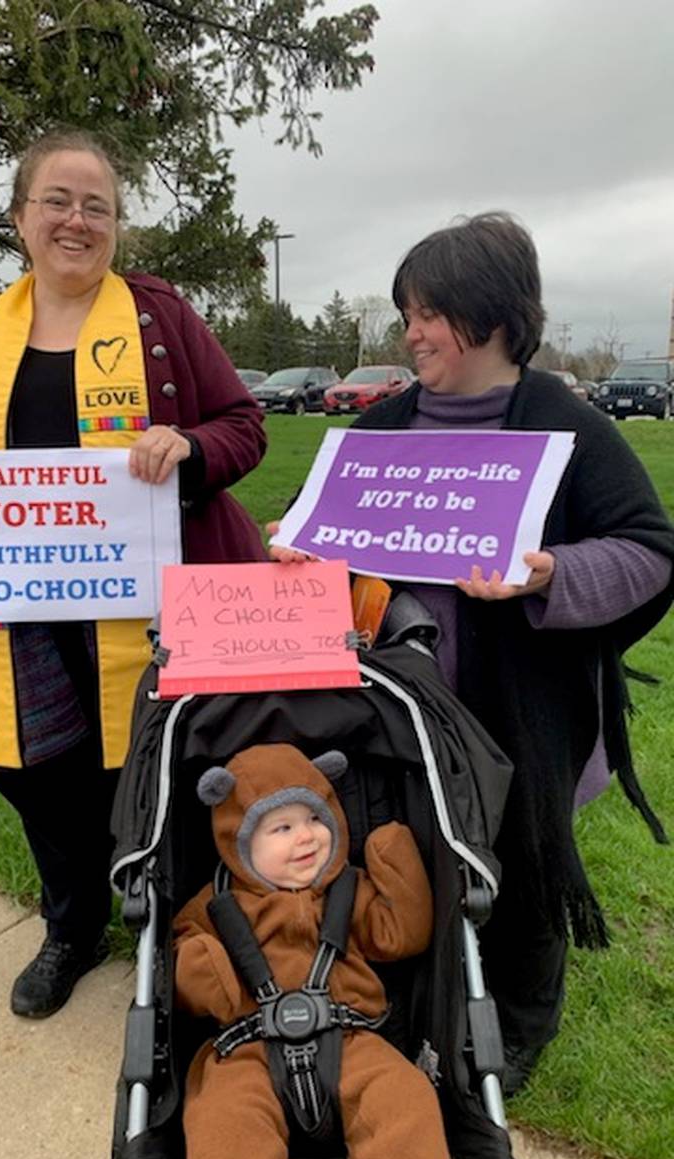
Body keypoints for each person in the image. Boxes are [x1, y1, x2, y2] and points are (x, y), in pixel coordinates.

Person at [270, 212, 674, 1095]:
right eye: (406, 312)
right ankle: (416, 990)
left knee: (523, 874)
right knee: (406, 856)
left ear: (491, 317)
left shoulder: (566, 427)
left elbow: (650, 550)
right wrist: (298, 545)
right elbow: (312, 524)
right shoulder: (379, 428)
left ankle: (522, 1022)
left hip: (520, 720)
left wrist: (551, 575)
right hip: (394, 709)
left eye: (427, 314)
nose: (408, 332)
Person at [0, 127, 267, 1020]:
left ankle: (170, 923)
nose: (76, 219)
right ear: (21, 218)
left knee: (156, 767)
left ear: (117, 225)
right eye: (56, 201)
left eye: (96, 206)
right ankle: (73, 922)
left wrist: (189, 443)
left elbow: (243, 424)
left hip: (146, 599)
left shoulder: (160, 318)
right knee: (37, 768)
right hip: (12, 605)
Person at [173, 743, 457, 1159]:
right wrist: (201, 969)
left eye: (315, 819)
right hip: (247, 1048)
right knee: (222, 1125)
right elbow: (183, 958)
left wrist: (397, 865)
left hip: (350, 1038)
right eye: (282, 828)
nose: (306, 837)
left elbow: (401, 934)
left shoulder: (349, 889)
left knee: (405, 1099)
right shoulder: (217, 906)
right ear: (238, 841)